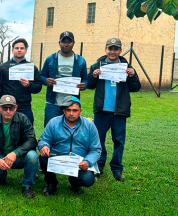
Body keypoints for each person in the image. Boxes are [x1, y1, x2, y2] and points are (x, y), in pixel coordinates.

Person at [86, 37, 141, 182]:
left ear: (120, 51)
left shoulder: (127, 66)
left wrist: (132, 76)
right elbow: (89, 85)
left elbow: (136, 88)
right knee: (99, 140)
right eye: (110, 48)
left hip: (119, 111)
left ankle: (117, 169)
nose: (112, 51)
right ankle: (98, 166)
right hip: (101, 110)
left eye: (115, 49)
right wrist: (93, 76)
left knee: (119, 140)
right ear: (105, 49)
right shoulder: (97, 65)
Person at [36, 96, 101, 196]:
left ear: (80, 111)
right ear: (63, 111)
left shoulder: (89, 126)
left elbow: (96, 149)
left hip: (79, 162)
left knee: (88, 180)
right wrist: (44, 146)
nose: (71, 113)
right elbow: (44, 139)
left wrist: (87, 162)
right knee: (43, 157)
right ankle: (51, 183)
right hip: (57, 158)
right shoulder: (54, 122)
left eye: (75, 110)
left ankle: (75, 183)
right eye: (68, 110)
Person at [0, 95, 39, 199]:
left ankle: (27, 185)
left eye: (11, 108)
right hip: (1, 156)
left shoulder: (23, 119)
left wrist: (15, 153)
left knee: (33, 156)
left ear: (16, 108)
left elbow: (32, 140)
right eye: (4, 108)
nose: (8, 111)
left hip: (18, 156)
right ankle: (1, 176)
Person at [39, 31, 90, 127]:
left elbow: (85, 80)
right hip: (52, 103)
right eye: (63, 42)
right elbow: (41, 76)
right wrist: (46, 80)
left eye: (69, 42)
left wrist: (84, 85)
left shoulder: (80, 60)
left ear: (73, 43)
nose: (66, 44)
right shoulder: (50, 59)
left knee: (70, 131)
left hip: (72, 104)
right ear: (59, 43)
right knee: (50, 130)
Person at [0, 38, 42, 125]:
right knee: (5, 134)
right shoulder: (4, 68)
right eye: (16, 48)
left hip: (24, 107)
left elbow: (38, 87)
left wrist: (29, 85)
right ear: (12, 50)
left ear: (26, 51)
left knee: (27, 135)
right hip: (7, 106)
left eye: (22, 48)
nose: (19, 50)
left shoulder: (32, 68)